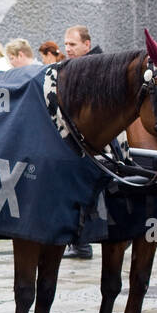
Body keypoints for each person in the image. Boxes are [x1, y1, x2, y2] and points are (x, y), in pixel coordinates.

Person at [62, 26, 101, 258]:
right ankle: (79, 242)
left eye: (73, 45)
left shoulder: (94, 66)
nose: (68, 49)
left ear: (87, 45)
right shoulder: (82, 65)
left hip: (91, 143)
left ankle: (81, 242)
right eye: (66, 44)